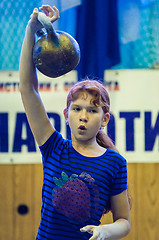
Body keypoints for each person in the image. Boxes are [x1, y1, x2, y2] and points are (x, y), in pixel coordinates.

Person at [19, 4, 131, 240]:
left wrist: (105, 230)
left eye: (92, 110)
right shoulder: (54, 148)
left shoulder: (115, 162)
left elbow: (124, 222)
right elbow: (28, 89)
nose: (83, 115)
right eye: (77, 109)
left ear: (104, 119)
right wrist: (32, 29)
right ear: (66, 115)